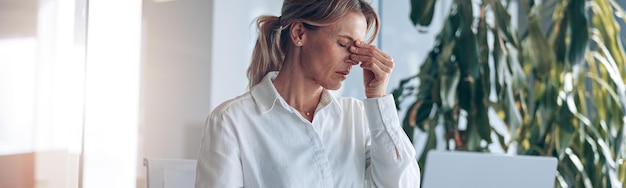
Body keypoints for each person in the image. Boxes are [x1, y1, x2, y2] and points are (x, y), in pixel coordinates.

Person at [195, 0, 420, 187]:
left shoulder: (357, 117)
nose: (354, 59)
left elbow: (402, 184)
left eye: (358, 48)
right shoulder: (232, 122)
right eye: (344, 44)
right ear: (299, 33)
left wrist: (377, 98)